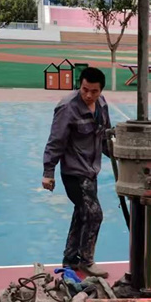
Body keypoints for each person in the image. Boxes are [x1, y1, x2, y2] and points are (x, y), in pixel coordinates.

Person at [42, 66, 111, 277]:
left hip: (91, 171)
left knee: (82, 213)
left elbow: (105, 136)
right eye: (85, 89)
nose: (88, 95)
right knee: (94, 214)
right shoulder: (67, 107)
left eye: (94, 91)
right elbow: (56, 141)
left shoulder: (102, 104)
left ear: (101, 90)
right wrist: (48, 172)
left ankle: (70, 259)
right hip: (74, 172)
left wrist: (120, 156)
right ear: (79, 85)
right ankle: (86, 261)